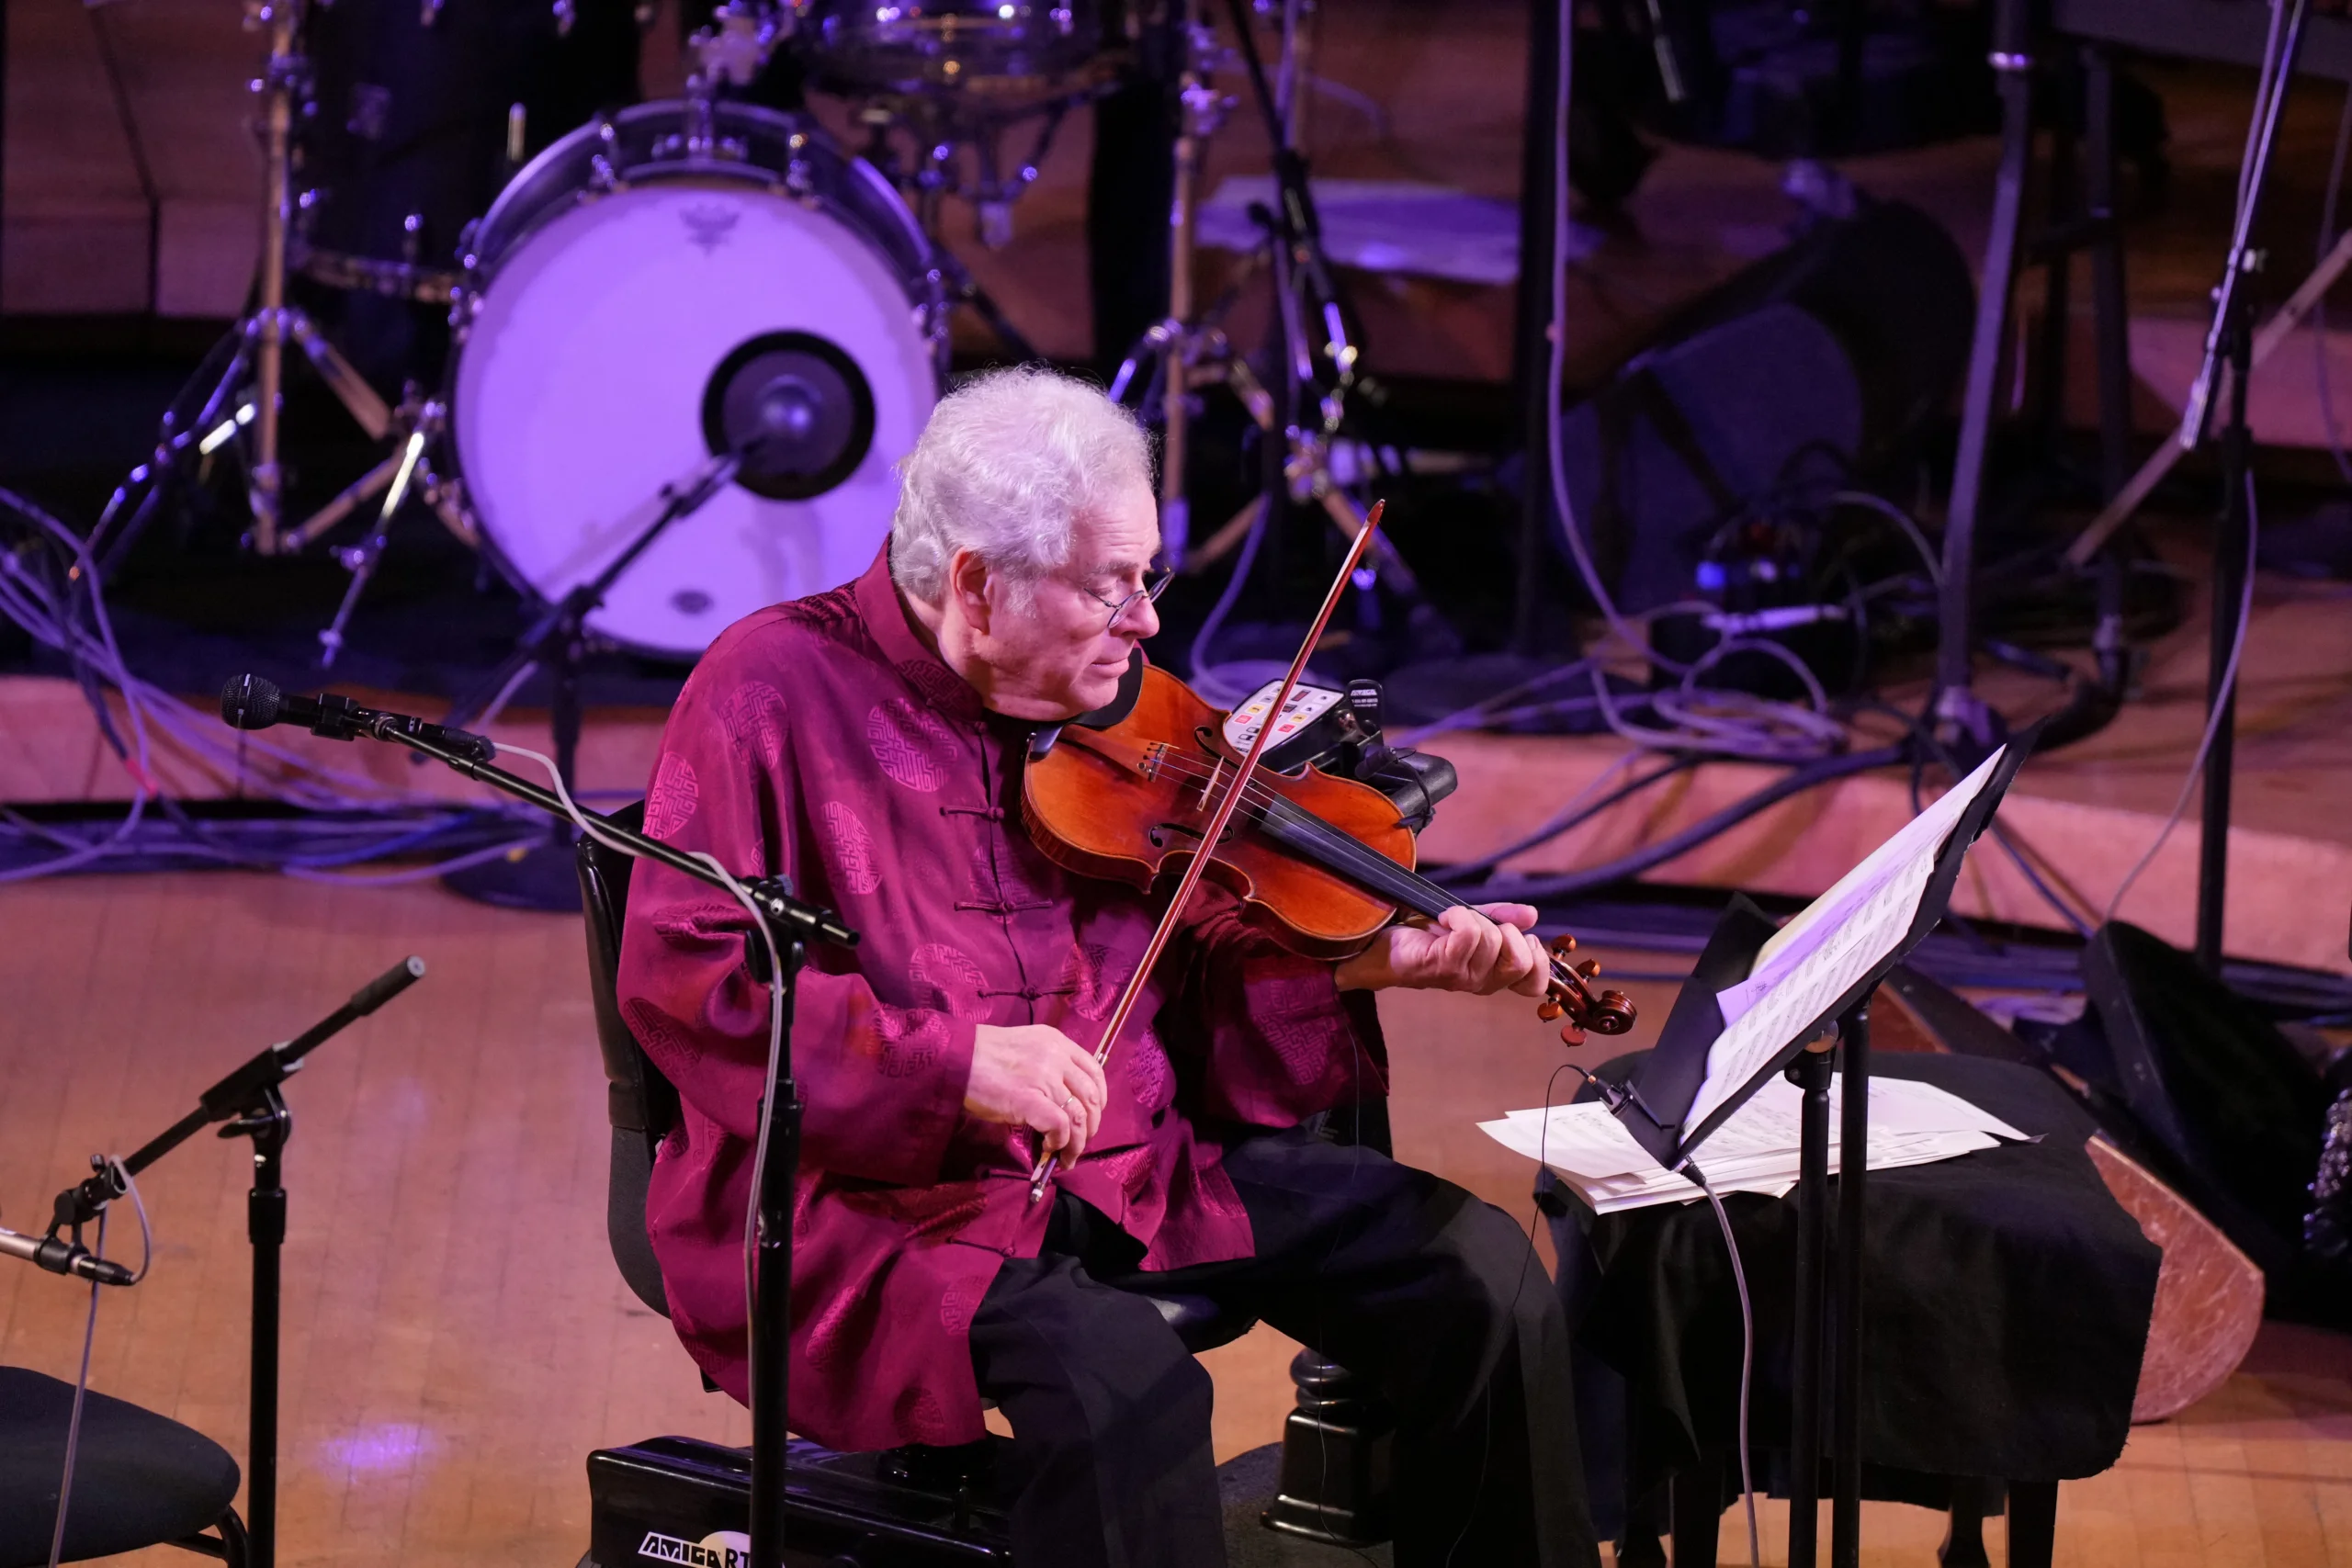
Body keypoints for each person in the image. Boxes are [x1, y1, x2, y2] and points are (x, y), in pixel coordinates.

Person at [616, 366, 1599, 1567]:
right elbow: (692, 987)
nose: (1146, 624)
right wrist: (955, 1063)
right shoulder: (765, 689)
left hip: (1132, 1165)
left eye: (1148, 578)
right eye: (1109, 587)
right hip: (884, 1205)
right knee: (1123, 1383)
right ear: (977, 585)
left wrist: (1380, 960)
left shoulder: (1129, 706)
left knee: (1475, 1278)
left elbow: (1204, 947)